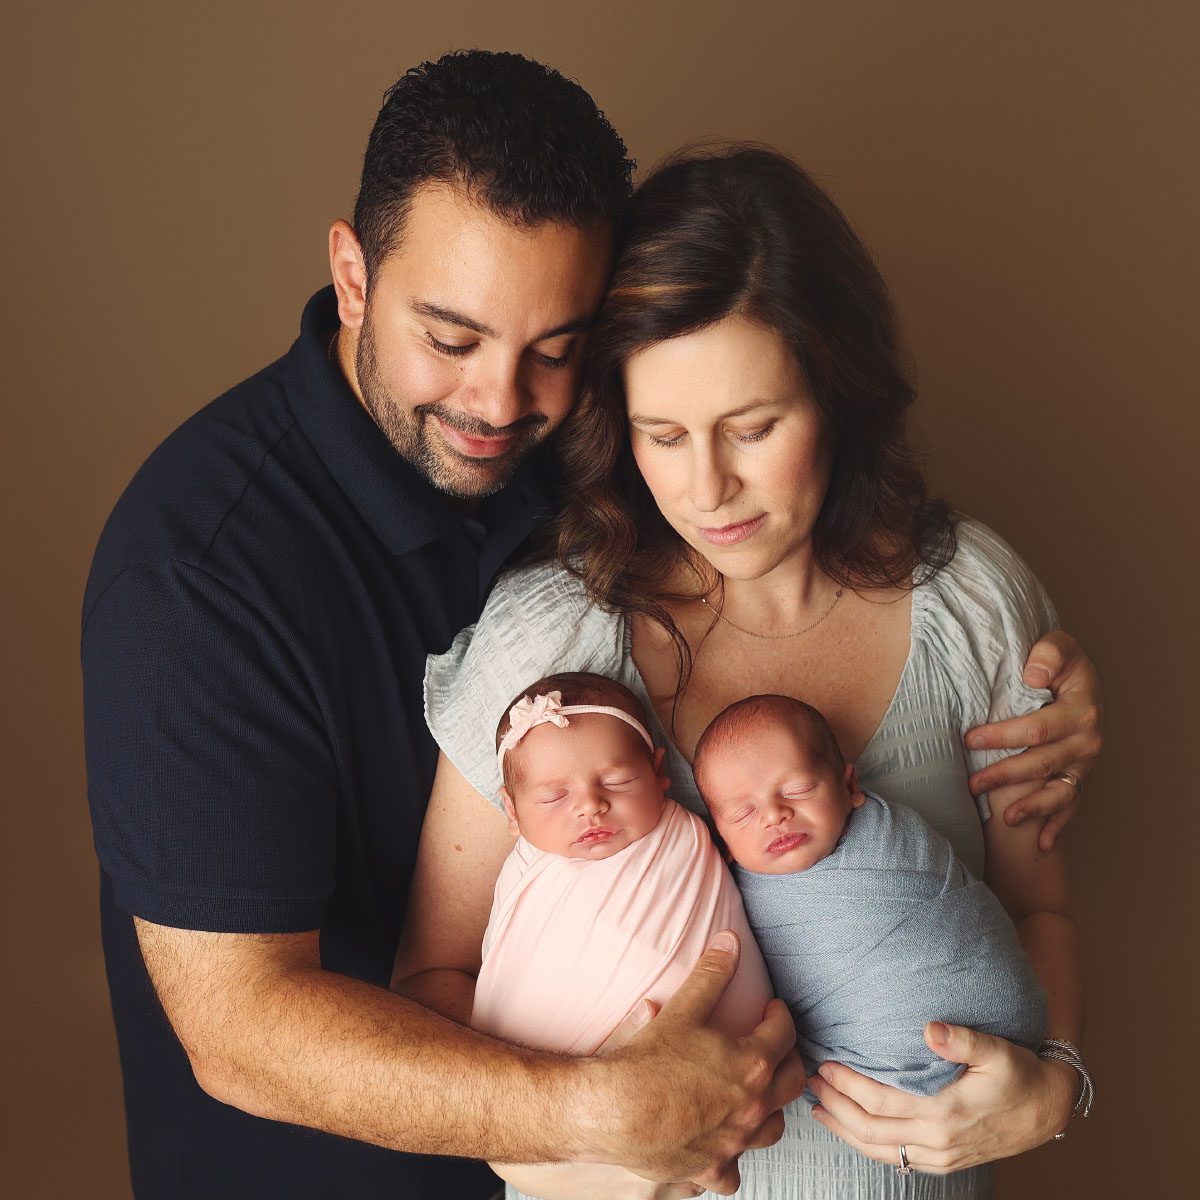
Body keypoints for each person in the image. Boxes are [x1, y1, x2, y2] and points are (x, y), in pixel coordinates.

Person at [81, 49, 1097, 1199]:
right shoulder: (203, 577)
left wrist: (1044, 698)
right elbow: (243, 1024)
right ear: (352, 277)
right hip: (319, 1171)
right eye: (452, 339)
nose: (501, 401)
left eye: (555, 352)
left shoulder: (576, 463)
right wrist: (594, 1115)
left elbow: (1021, 885)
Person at [406, 144, 1094, 1198]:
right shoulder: (550, 646)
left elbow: (1035, 910)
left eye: (754, 427)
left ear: (840, 397)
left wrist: (1050, 1093)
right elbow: (431, 981)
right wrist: (581, 1153)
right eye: (663, 435)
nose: (708, 486)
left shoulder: (972, 607)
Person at [692, 694, 1049, 1097]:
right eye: (743, 813)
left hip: (1007, 1053)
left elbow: (1036, 910)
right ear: (721, 840)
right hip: (864, 1081)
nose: (774, 815)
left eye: (798, 789)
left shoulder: (891, 839)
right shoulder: (730, 893)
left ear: (849, 786)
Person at [469, 673, 773, 1056]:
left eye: (616, 781)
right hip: (555, 1083)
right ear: (512, 811)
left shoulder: (685, 841)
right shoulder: (527, 872)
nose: (590, 805)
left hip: (733, 1057)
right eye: (554, 797)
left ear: (658, 773)